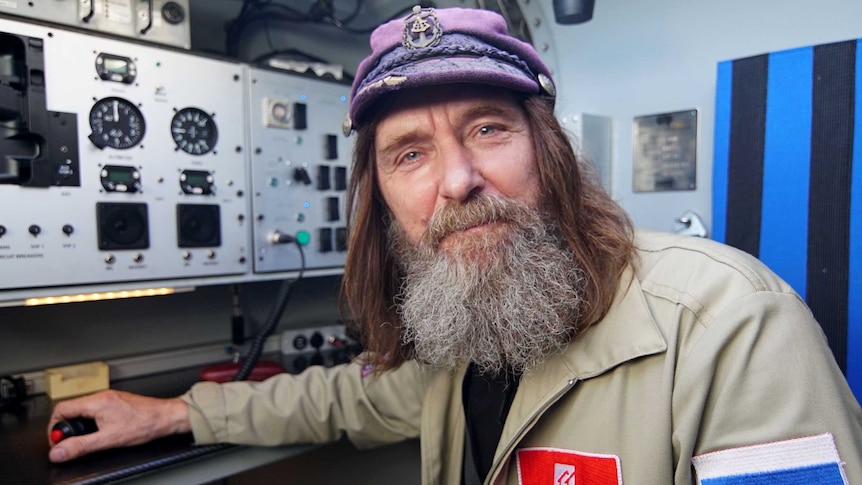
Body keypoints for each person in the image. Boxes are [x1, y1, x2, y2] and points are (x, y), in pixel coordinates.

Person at [49, 6, 862, 484]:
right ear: (381, 200)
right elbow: (344, 399)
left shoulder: (728, 322)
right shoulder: (465, 331)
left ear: (552, 151)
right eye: (410, 152)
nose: (458, 178)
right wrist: (171, 410)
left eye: (486, 128)